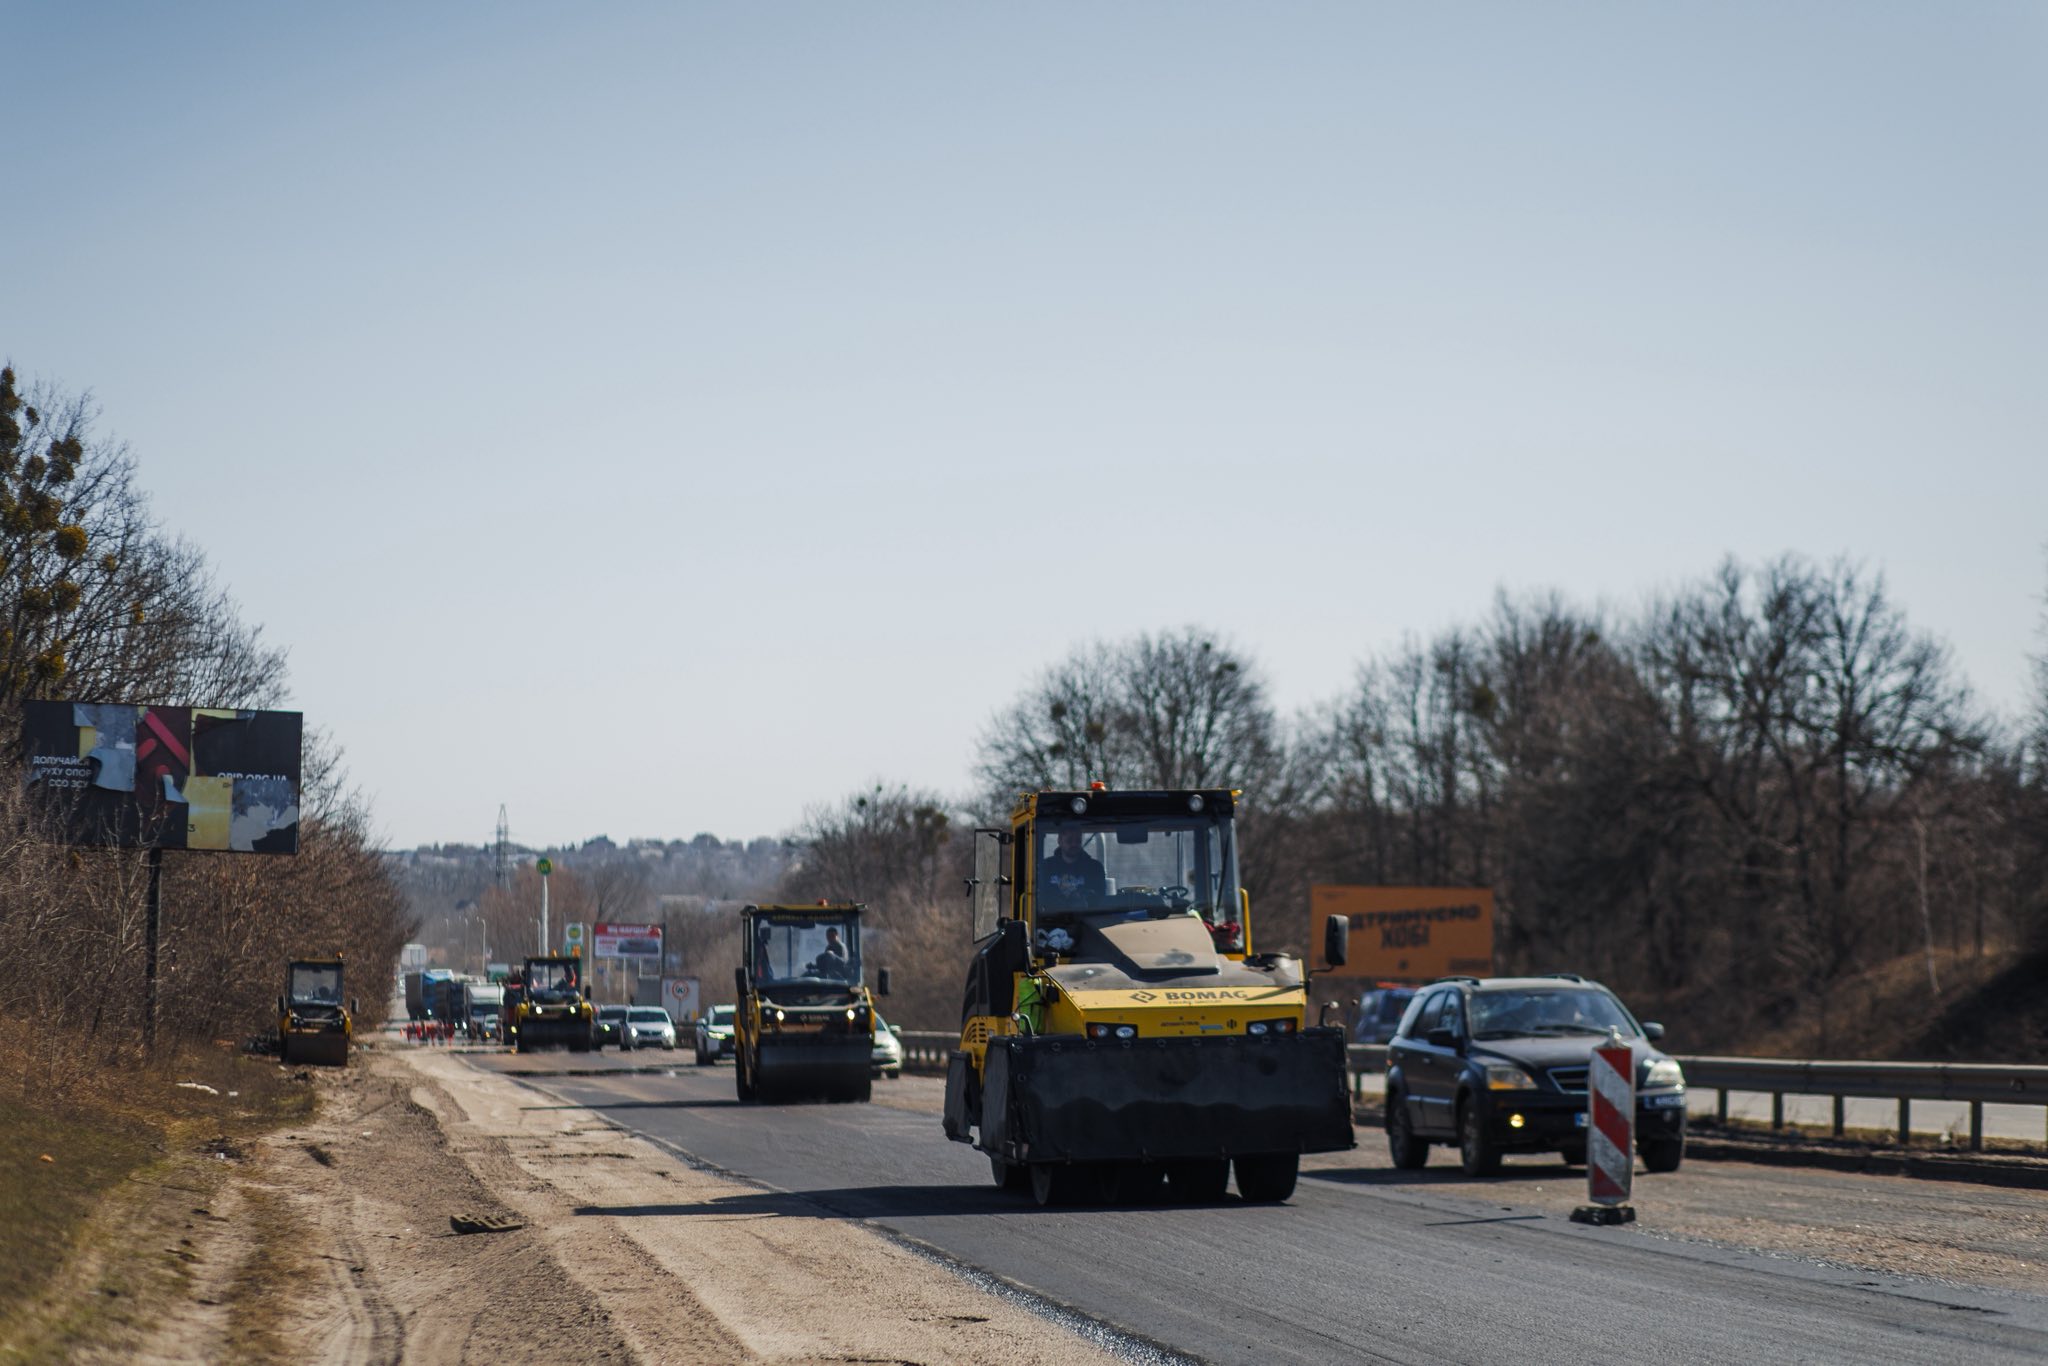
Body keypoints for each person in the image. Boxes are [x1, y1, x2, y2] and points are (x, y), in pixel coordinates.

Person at [1038, 828, 1107, 910]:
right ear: (1059, 841)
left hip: (1087, 916)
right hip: (1050, 917)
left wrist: (1084, 898)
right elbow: (1040, 898)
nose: (1074, 844)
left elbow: (1100, 900)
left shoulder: (1095, 868)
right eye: (1069, 840)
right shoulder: (1045, 867)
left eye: (1078, 841)